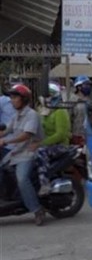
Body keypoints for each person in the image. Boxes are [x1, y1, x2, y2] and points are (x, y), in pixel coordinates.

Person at [0, 84, 45, 225]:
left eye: (15, 97)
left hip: (29, 153)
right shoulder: (17, 116)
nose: (12, 100)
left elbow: (27, 135)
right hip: (16, 152)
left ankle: (37, 209)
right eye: (11, 97)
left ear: (24, 99)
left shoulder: (31, 115)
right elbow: (7, 130)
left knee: (22, 179)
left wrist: (6, 141)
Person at [36, 83, 71, 196]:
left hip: (60, 145)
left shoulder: (60, 111)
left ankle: (44, 183)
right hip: (45, 143)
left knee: (40, 152)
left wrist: (41, 143)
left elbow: (60, 134)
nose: (44, 98)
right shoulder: (43, 111)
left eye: (47, 95)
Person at [70, 75, 91, 146]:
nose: (88, 86)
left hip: (89, 134)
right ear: (79, 87)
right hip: (76, 134)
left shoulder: (91, 100)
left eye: (89, 84)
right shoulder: (72, 100)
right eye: (86, 84)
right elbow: (69, 117)